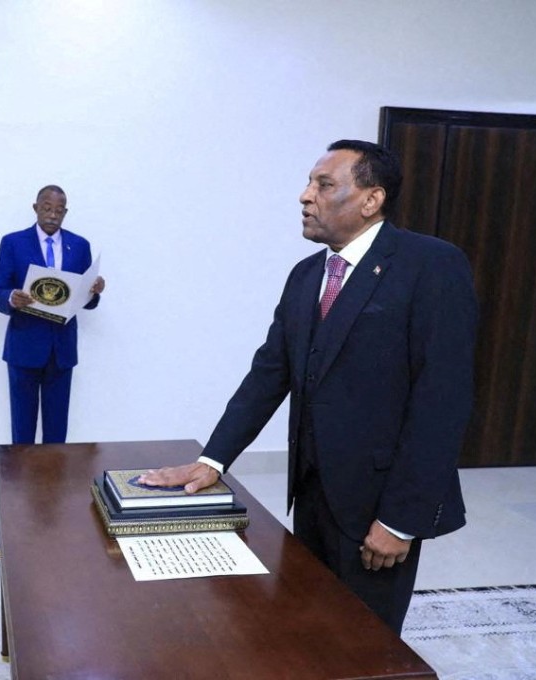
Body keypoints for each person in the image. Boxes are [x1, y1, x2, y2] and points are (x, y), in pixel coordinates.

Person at [140, 140, 477, 634]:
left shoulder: (431, 265)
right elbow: (268, 374)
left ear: (371, 200)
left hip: (378, 505)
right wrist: (213, 461)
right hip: (312, 492)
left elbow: (442, 402)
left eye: (324, 185)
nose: (305, 196)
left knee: (365, 642)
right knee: (312, 628)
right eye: (308, 183)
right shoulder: (306, 276)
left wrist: (401, 521)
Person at [0, 185, 106, 444]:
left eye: (59, 210)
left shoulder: (80, 246)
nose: (53, 215)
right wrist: (12, 298)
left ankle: (54, 473)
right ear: (35, 208)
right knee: (22, 431)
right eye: (47, 208)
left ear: (65, 213)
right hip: (23, 349)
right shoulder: (13, 243)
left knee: (56, 432)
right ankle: (22, 473)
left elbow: (86, 301)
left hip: (61, 352)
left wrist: (94, 291)